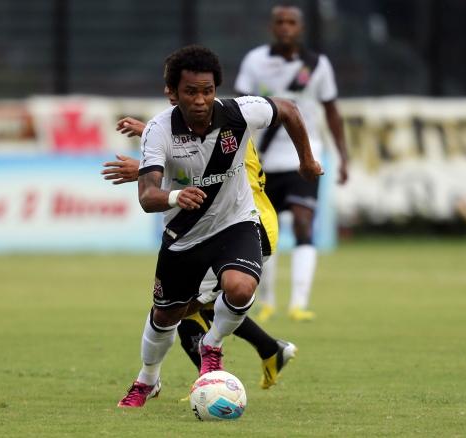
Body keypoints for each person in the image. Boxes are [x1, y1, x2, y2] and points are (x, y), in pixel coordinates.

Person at [112, 45, 322, 407]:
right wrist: (173, 192)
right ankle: (147, 379)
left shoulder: (239, 113)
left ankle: (212, 351)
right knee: (169, 313)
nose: (200, 100)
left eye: (207, 91)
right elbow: (150, 193)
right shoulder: (159, 130)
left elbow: (288, 108)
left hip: (239, 222)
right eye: (190, 91)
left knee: (238, 289)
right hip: (185, 235)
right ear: (173, 92)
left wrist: (306, 161)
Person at [102, 116, 296, 400]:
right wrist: (149, 133)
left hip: (242, 225)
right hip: (248, 223)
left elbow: (202, 165)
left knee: (183, 307)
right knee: (204, 302)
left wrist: (146, 166)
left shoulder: (229, 122)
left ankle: (207, 383)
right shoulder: (208, 125)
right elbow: (192, 149)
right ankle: (269, 349)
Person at [235, 5, 348, 322]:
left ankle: (298, 302)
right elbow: (238, 109)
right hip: (264, 160)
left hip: (304, 157)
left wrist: (342, 157)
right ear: (271, 27)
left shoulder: (317, 65)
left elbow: (332, 112)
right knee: (261, 230)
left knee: (302, 222)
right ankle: (267, 302)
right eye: (280, 22)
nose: (285, 27)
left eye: (292, 22)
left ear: (301, 28)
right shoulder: (255, 61)